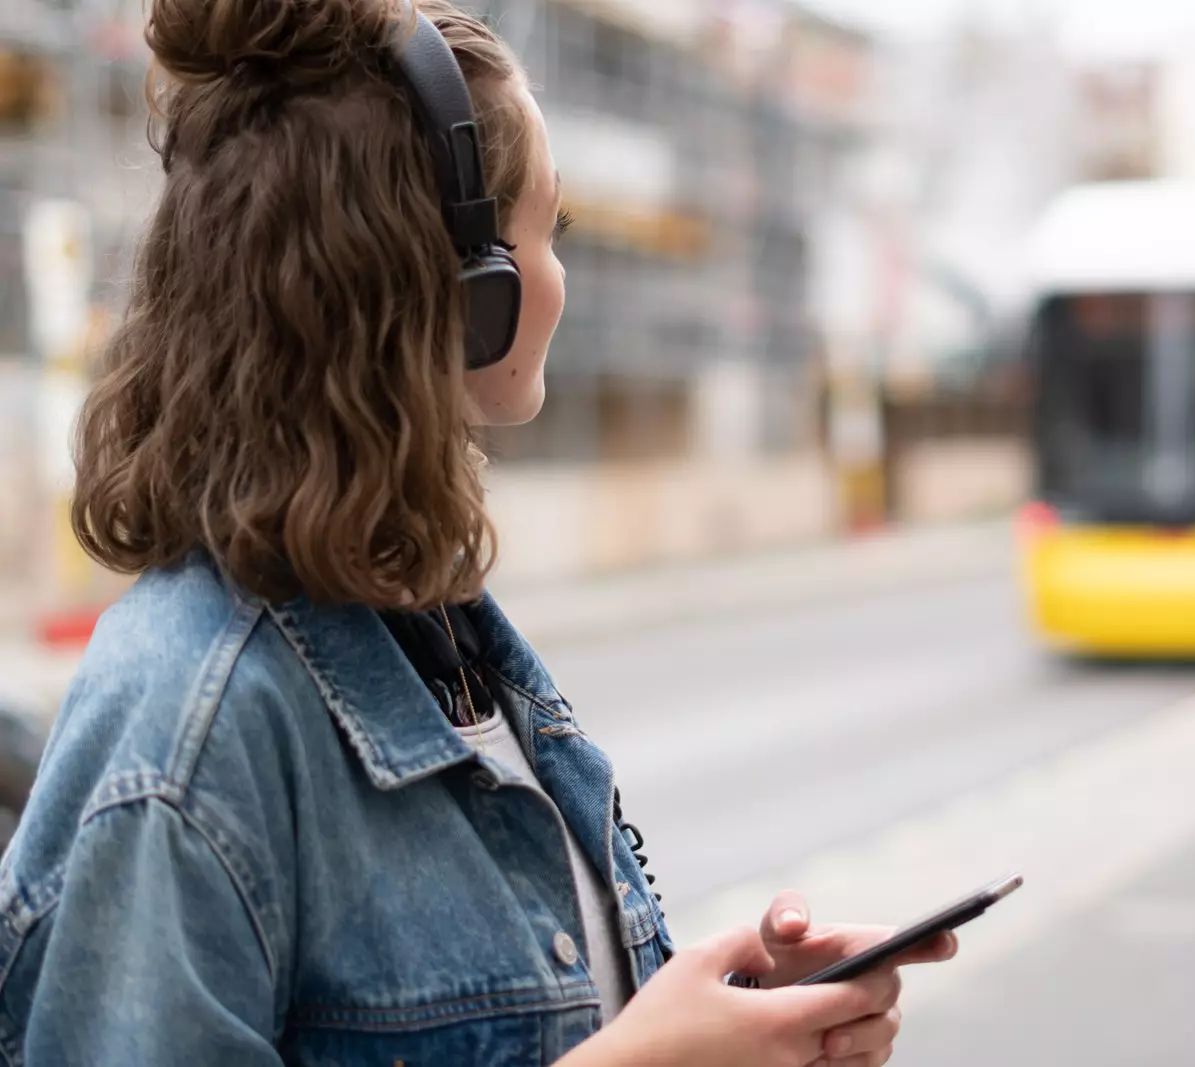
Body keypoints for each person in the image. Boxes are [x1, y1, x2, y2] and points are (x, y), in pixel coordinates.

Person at [0, 1, 955, 1064]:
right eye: (551, 228)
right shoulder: (187, 724)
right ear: (461, 287)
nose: (561, 275)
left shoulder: (445, 643)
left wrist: (728, 1021)